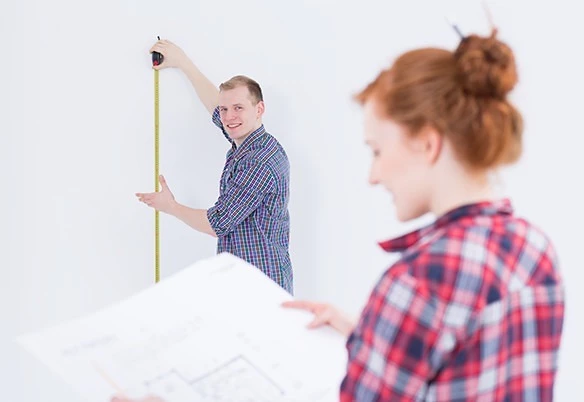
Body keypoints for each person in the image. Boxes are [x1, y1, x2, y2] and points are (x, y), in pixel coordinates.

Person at [116, 28, 565, 402]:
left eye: (376, 150)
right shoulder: (534, 248)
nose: (372, 175)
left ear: (427, 145)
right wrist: (366, 337)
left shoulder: (418, 282)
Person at [136, 39, 294, 294]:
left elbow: (216, 223)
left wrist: (171, 206)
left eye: (238, 108)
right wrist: (183, 62)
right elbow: (215, 106)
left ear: (259, 109)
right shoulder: (250, 141)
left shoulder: (258, 162)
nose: (229, 116)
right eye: (225, 109)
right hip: (247, 279)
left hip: (259, 288)